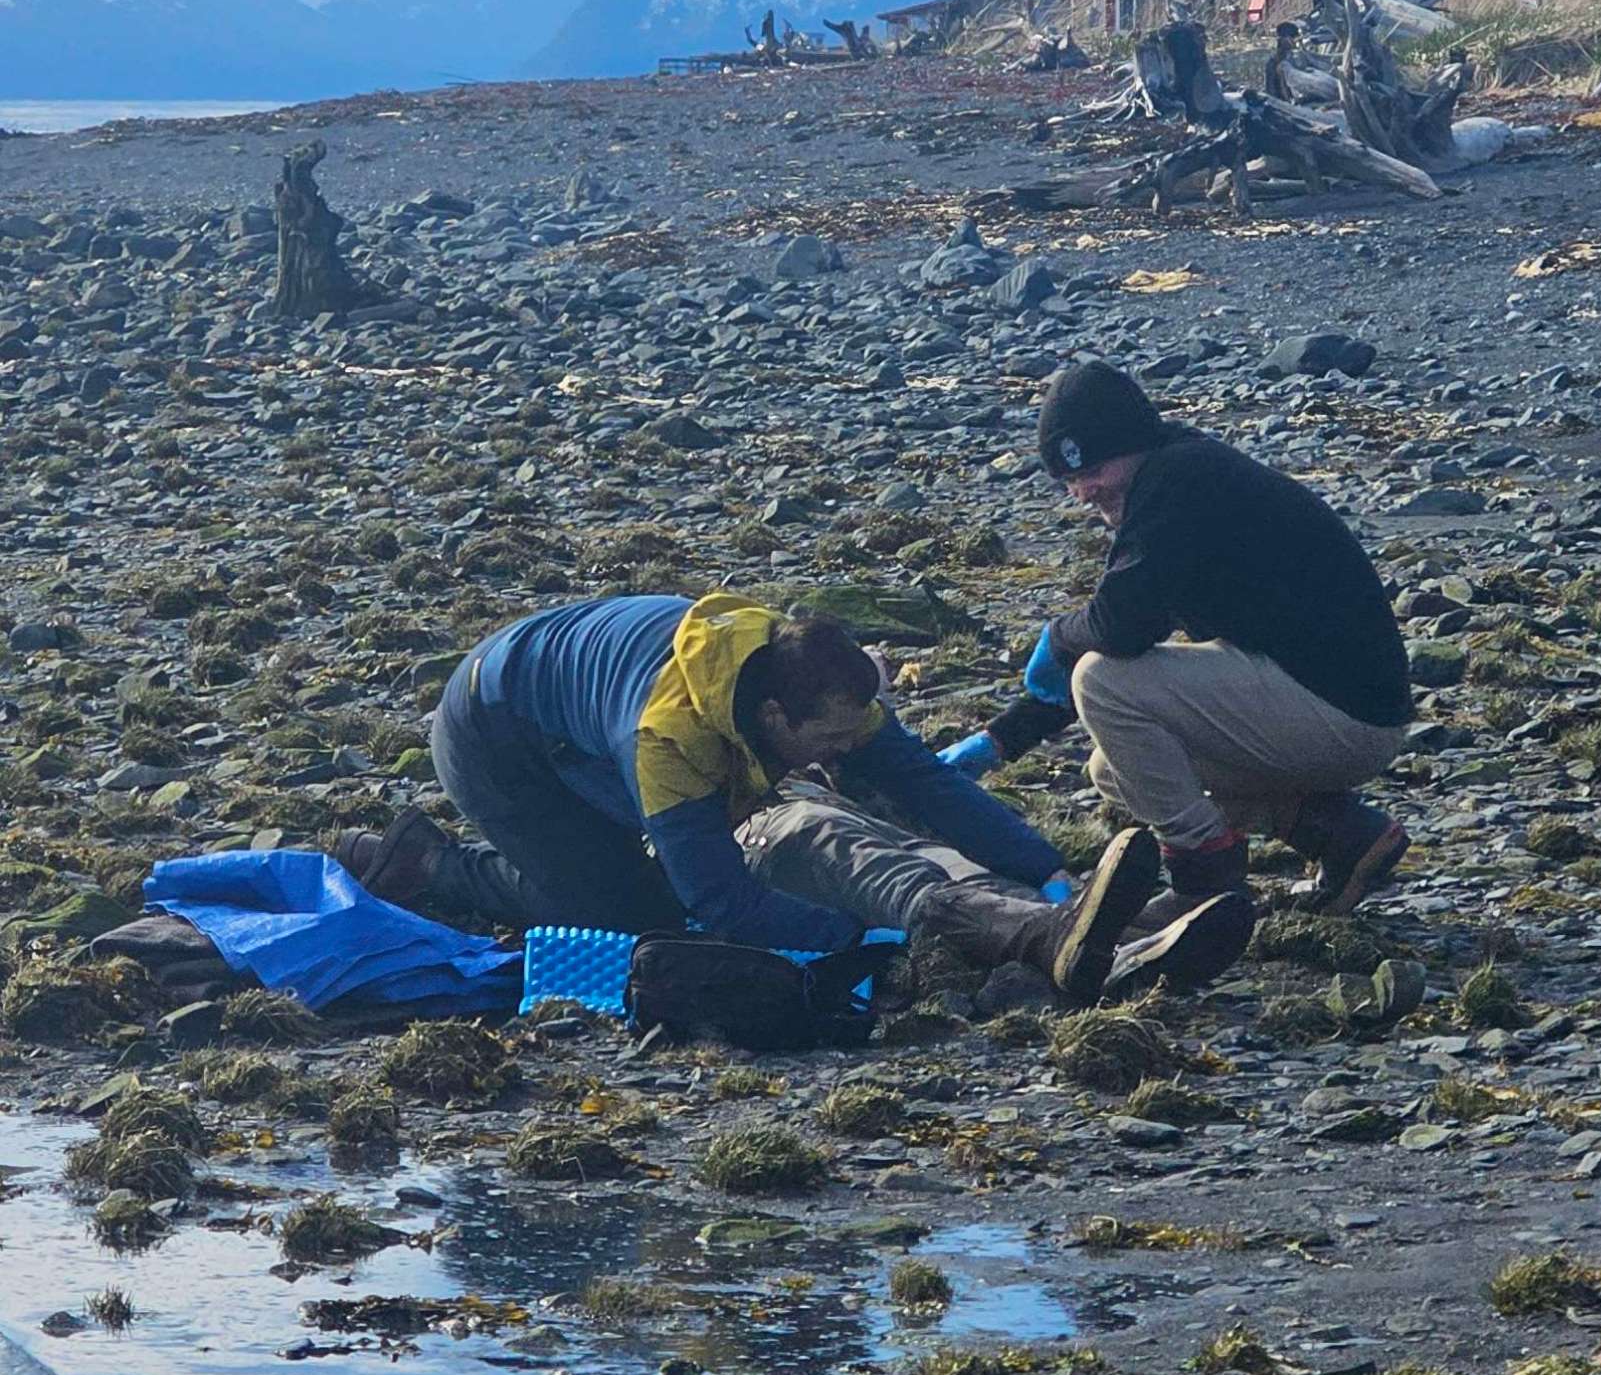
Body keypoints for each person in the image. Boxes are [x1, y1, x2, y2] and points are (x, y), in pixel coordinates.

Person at [337, 590, 1189, 1004]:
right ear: (777, 716)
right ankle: (433, 863)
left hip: (573, 685)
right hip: (495, 730)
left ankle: (1042, 919)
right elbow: (722, 902)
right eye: (826, 744)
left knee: (701, 860)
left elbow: (924, 782)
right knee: (633, 910)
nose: (845, 752)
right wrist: (864, 941)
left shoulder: (819, 685)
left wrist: (1047, 874)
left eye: (855, 734)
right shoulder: (667, 742)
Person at [940, 360, 1413, 926]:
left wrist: (1058, 637)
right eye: (1070, 478)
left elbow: (1114, 632)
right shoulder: (1173, 481)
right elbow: (1130, 633)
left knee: (1101, 682)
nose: (1085, 491)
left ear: (1133, 442)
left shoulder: (1181, 483)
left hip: (1345, 715)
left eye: (1095, 468)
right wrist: (999, 741)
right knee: (1114, 769)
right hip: (1328, 702)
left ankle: (1203, 878)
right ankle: (1344, 836)